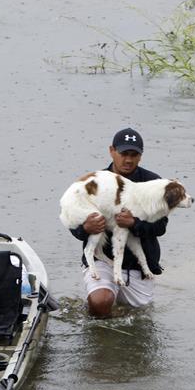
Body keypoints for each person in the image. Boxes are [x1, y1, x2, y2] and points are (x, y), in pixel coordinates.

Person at [69, 128, 169, 317]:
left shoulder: (153, 183)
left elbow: (160, 227)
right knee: (100, 303)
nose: (128, 160)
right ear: (112, 151)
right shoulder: (94, 182)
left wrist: (134, 223)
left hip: (138, 267)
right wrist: (85, 228)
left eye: (134, 154)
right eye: (124, 154)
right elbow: (71, 219)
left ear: (141, 155)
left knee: (137, 322)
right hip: (103, 261)